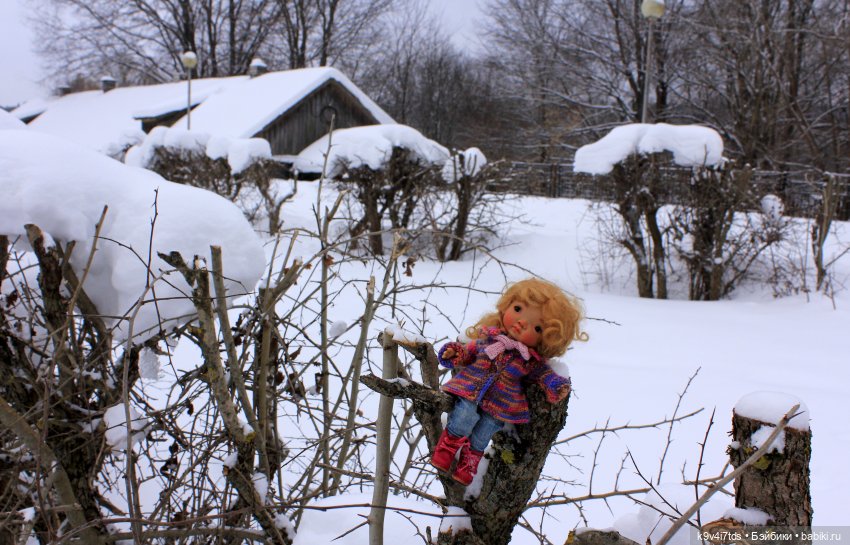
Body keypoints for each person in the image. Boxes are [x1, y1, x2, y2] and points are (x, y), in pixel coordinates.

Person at [431, 278, 587, 485]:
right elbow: (468, 354)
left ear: (547, 339)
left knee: (486, 429)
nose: (522, 322)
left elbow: (543, 375)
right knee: (465, 414)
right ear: (506, 305)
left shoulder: (527, 360)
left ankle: (470, 460)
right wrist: (454, 353)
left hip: (500, 404)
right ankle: (448, 446)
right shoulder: (488, 340)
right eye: (518, 309)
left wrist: (556, 384)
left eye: (537, 328)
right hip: (470, 391)